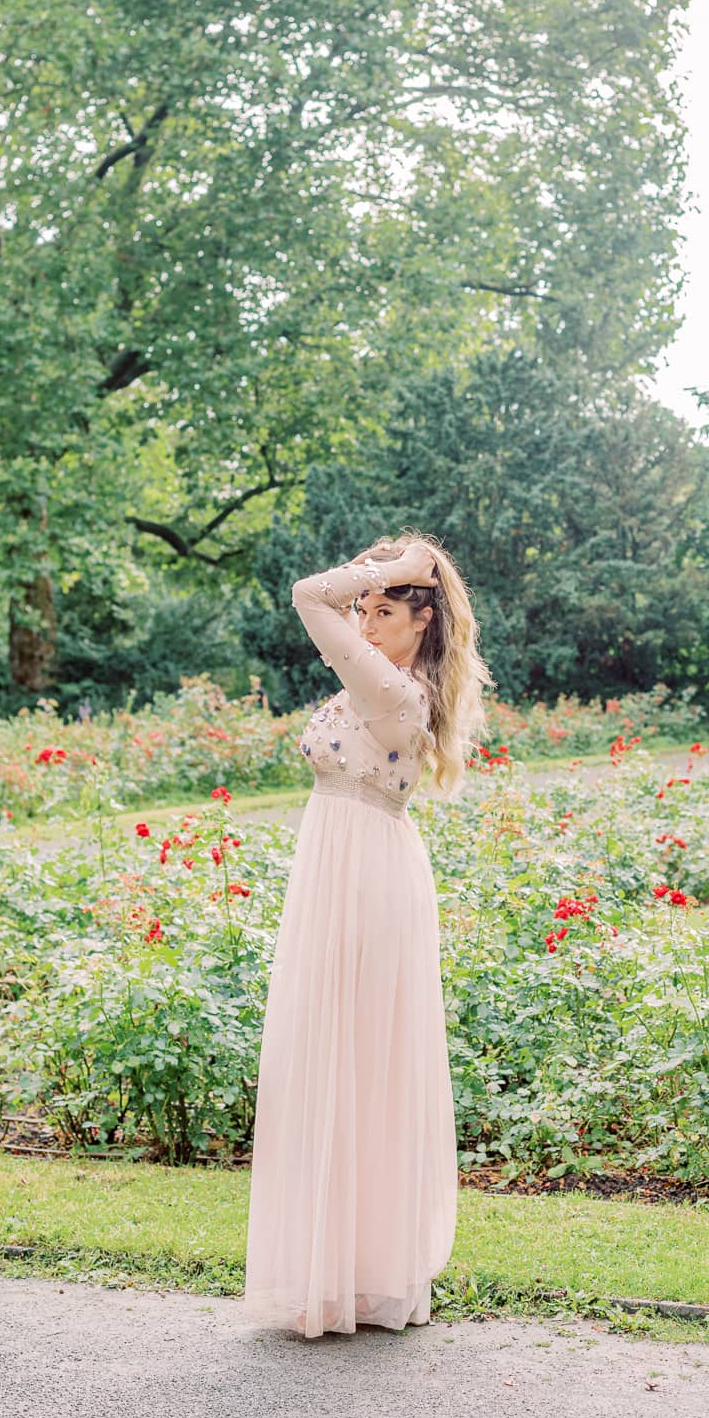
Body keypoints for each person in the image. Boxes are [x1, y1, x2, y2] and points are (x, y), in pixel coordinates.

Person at [242, 531, 493, 1338]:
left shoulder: (394, 691)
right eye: (368, 610)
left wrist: (399, 568)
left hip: (366, 876)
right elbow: (323, 599)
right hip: (339, 866)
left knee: (358, 1062)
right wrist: (396, 573)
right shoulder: (376, 679)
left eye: (385, 610)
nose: (368, 617)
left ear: (421, 623)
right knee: (325, 1061)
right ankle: (339, 1270)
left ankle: (364, 1272)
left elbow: (306, 593)